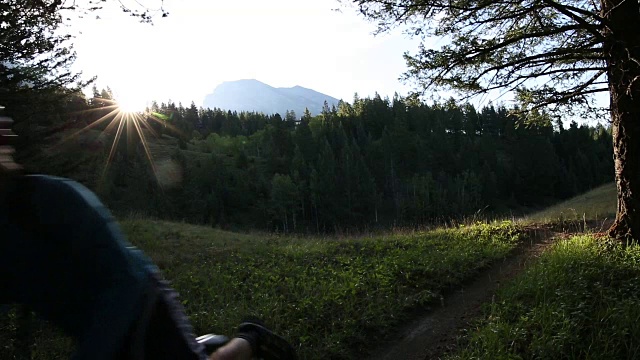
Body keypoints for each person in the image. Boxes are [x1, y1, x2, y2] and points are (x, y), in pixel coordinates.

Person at [0, 113, 294, 360]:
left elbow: (124, 279)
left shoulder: (53, 198)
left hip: (143, 307)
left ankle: (251, 337)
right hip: (96, 334)